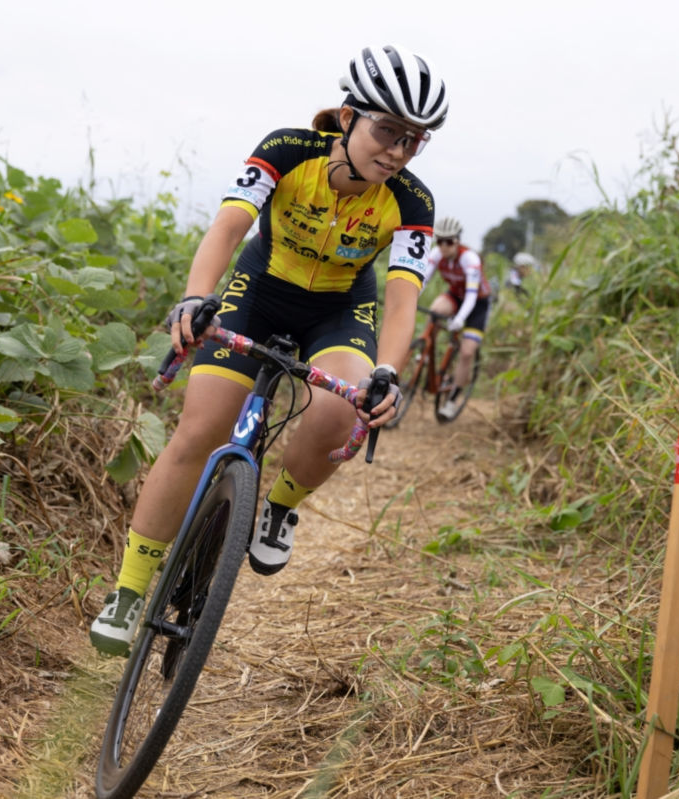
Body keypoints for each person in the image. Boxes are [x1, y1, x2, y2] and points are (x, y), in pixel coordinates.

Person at [90, 45, 450, 657]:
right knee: (201, 430)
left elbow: (401, 299)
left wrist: (387, 373)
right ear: (347, 117)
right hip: (259, 290)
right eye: (388, 130)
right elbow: (228, 227)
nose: (397, 150)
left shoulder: (412, 200)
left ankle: (279, 505)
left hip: (340, 309)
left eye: (414, 140)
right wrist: (195, 298)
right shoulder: (287, 150)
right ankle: (127, 591)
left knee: (340, 410)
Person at [422, 216, 492, 420]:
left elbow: (471, 295)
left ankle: (452, 400)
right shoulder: (437, 254)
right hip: (455, 296)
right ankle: (425, 352)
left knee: (467, 352)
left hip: (477, 303)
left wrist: (460, 319)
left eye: (449, 241)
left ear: (458, 241)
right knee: (435, 310)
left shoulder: (470, 259)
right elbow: (423, 281)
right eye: (440, 241)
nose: (444, 246)